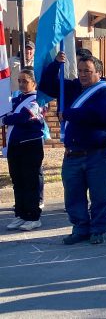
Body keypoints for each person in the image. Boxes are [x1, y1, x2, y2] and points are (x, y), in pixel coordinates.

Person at [39, 51, 106, 245]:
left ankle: (98, 229)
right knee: (73, 196)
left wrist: (70, 114)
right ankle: (80, 228)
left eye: (88, 71)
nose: (83, 74)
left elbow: (99, 116)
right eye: (81, 70)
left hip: (97, 154)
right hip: (72, 154)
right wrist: (56, 64)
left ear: (98, 72)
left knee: (99, 195)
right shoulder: (73, 88)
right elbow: (47, 85)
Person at [3, 69, 46, 231]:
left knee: (30, 181)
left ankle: (33, 216)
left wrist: (7, 118)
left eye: (25, 81)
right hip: (15, 145)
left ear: (34, 83)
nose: (21, 84)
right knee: (18, 181)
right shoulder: (16, 99)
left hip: (30, 145)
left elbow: (24, 117)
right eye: (19, 81)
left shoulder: (38, 99)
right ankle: (20, 214)